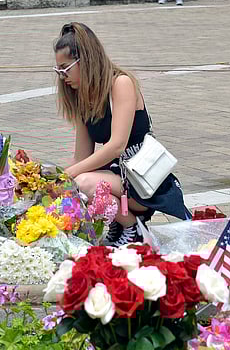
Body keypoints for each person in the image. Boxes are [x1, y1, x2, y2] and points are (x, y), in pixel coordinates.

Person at [53, 22, 190, 247]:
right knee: (74, 183)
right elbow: (81, 157)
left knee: (83, 182)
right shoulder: (82, 98)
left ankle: (133, 229)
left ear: (85, 60)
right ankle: (121, 224)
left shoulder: (120, 83)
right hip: (118, 176)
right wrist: (56, 180)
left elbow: (117, 145)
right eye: (58, 70)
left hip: (141, 178)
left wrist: (70, 175)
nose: (62, 77)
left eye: (66, 69)